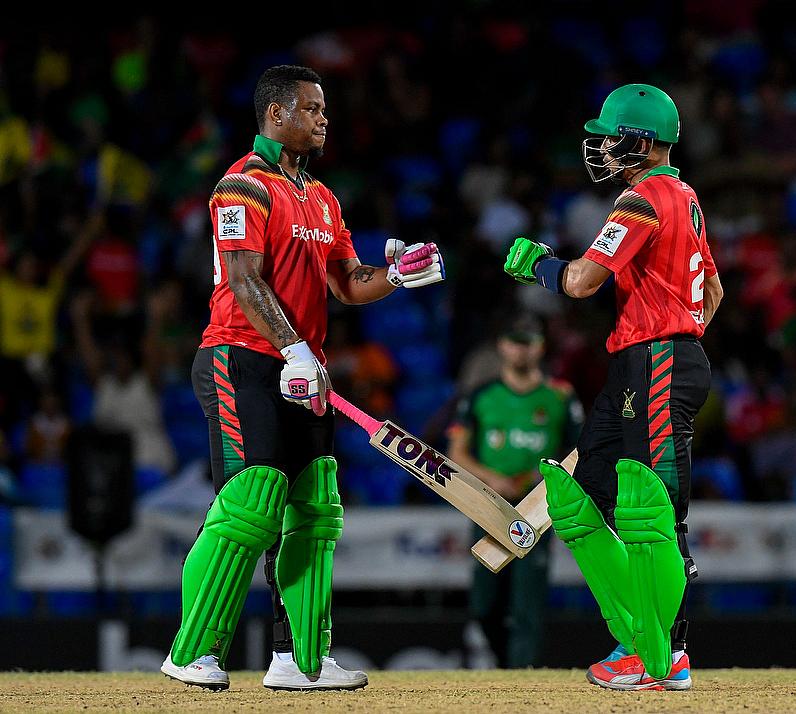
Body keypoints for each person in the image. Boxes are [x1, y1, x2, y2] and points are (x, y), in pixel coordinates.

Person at [160, 65, 444, 692]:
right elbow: (242, 277)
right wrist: (292, 349)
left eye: (324, 110)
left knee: (315, 511)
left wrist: (398, 274)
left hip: (301, 369)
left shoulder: (322, 197)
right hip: (242, 359)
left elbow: (346, 282)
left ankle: (301, 661)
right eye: (312, 109)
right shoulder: (244, 186)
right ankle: (192, 651)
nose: (323, 120)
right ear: (276, 114)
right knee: (252, 503)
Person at [503, 84, 724, 691]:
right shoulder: (686, 197)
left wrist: (536, 265)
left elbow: (580, 282)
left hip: (655, 361)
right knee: (591, 492)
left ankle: (666, 656)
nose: (603, 148)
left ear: (645, 141)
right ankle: (637, 641)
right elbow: (716, 292)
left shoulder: (643, 198)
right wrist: (684, 331)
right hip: (650, 361)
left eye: (614, 136)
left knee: (653, 513)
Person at [448, 314, 583, 668]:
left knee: (528, 600)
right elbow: (457, 451)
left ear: (540, 347)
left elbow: (578, 452)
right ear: (501, 346)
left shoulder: (560, 396)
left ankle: (523, 673)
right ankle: (505, 664)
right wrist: (491, 478)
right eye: (514, 341)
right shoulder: (483, 396)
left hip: (535, 511)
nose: (520, 350)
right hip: (490, 507)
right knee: (484, 602)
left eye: (528, 342)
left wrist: (551, 480)